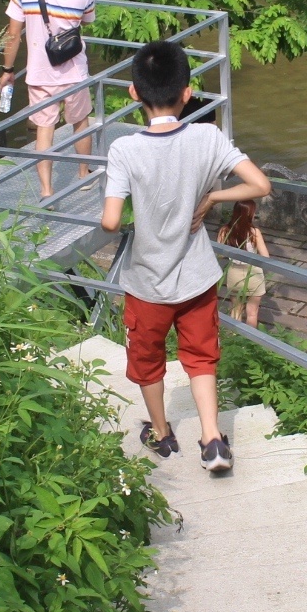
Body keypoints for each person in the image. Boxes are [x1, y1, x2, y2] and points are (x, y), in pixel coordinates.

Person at [102, 40, 272, 474]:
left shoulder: (124, 149)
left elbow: (110, 220)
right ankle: (213, 439)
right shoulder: (207, 136)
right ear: (187, 92)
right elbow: (259, 185)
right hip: (197, 278)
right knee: (200, 356)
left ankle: (161, 436)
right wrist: (213, 193)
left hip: (147, 284)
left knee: (149, 361)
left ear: (133, 94)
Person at [0, 0, 96, 199]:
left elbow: (13, 35)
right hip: (75, 71)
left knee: (44, 129)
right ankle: (84, 174)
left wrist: (8, 70)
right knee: (81, 121)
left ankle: (46, 189)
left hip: (39, 73)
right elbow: (86, 21)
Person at [218, 199, 271, 327]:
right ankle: (248, 342)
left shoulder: (224, 230)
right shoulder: (254, 232)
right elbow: (266, 256)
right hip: (253, 273)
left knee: (235, 310)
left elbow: (219, 253)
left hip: (234, 272)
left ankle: (233, 339)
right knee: (252, 313)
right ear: (249, 214)